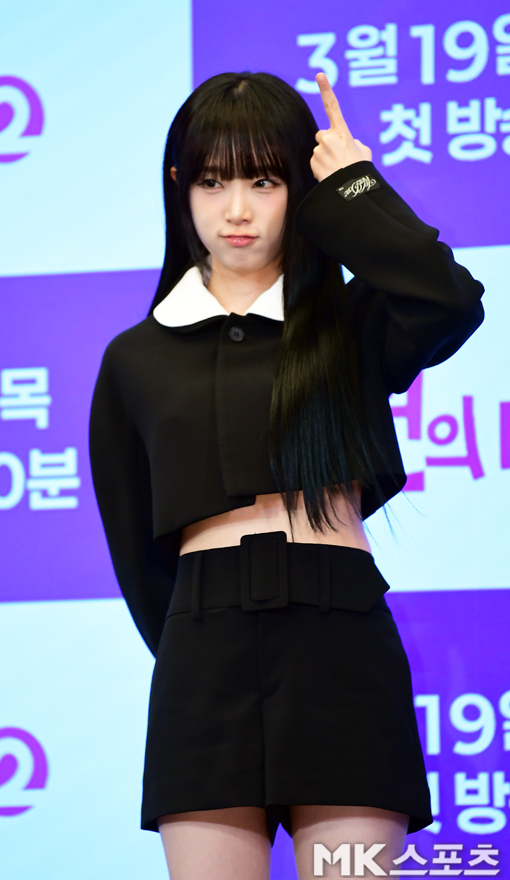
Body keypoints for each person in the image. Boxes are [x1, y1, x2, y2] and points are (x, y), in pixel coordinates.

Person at [89, 71, 484, 880]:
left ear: (300, 187)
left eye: (264, 182)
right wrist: (197, 637)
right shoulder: (135, 358)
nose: (236, 210)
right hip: (204, 662)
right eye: (213, 181)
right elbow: (137, 556)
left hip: (339, 647)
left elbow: (449, 302)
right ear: (180, 185)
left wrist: (358, 188)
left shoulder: (351, 321)